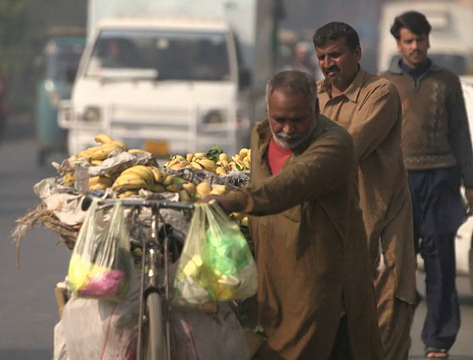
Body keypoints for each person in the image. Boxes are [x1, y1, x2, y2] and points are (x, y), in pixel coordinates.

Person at [202, 70, 382, 359]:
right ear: (267, 112)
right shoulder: (260, 136)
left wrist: (232, 201)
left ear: (316, 109)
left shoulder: (334, 145)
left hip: (314, 284)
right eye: (280, 119)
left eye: (298, 120)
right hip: (266, 284)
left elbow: (289, 185)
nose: (287, 130)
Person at [313, 21, 417, 359]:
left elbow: (347, 148)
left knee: (384, 332)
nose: (329, 63)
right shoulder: (312, 98)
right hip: (339, 234)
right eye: (322, 57)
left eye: (336, 55)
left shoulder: (379, 93)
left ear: (356, 53)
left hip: (383, 228)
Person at [381, 11, 473, 359]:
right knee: (397, 268)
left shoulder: (446, 81)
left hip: (440, 181)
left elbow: (461, 135)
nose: (415, 46)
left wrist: (470, 182)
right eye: (408, 41)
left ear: (428, 40)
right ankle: (392, 339)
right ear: (398, 43)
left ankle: (438, 341)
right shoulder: (385, 83)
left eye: (420, 40)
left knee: (441, 267)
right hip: (399, 186)